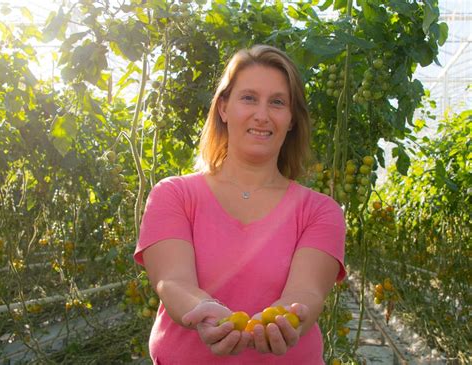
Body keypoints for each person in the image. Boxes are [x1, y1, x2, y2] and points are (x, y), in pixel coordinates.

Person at [134, 44, 346, 364]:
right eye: (248, 98)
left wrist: (285, 318)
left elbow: (307, 292)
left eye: (277, 102)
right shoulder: (173, 195)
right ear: (223, 108)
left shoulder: (320, 211)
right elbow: (173, 280)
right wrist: (201, 312)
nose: (262, 115)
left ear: (290, 120)